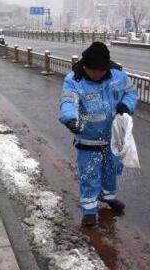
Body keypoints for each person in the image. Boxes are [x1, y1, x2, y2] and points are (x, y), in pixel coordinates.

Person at [59, 42, 138, 226]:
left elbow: (131, 93)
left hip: (112, 138)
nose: (96, 74)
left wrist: (126, 106)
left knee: (111, 171)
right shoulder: (74, 80)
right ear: (85, 66)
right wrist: (71, 120)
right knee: (89, 174)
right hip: (87, 138)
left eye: (101, 70)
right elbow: (68, 102)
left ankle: (108, 197)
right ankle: (89, 209)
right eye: (92, 70)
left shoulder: (118, 76)